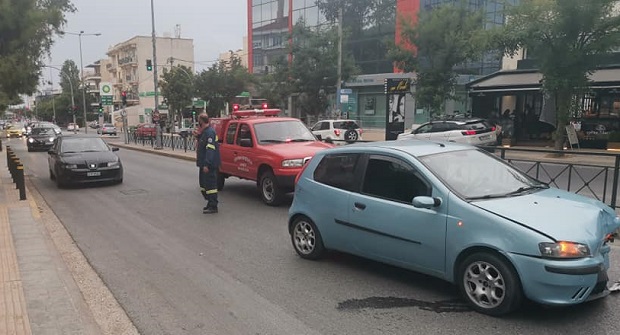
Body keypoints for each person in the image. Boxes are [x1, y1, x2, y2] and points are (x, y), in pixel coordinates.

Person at [195, 113, 221, 214]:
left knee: (211, 186)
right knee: (204, 185)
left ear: (201, 121)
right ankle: (210, 203)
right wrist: (198, 137)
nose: (198, 122)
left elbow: (210, 149)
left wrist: (207, 164)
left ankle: (213, 206)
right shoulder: (205, 132)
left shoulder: (210, 132)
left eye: (198, 120)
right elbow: (203, 143)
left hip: (209, 165)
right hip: (203, 164)